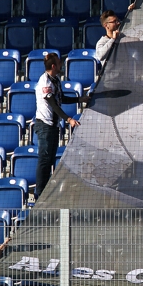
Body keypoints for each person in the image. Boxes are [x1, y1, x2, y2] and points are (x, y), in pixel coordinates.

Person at [34, 52, 89, 199]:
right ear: (53, 66)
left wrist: (80, 99)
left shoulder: (56, 80)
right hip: (45, 125)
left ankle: (46, 191)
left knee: (50, 159)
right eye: (59, 63)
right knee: (44, 159)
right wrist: (69, 119)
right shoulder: (45, 82)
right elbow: (54, 105)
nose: (61, 65)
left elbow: (61, 98)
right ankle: (39, 193)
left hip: (53, 126)